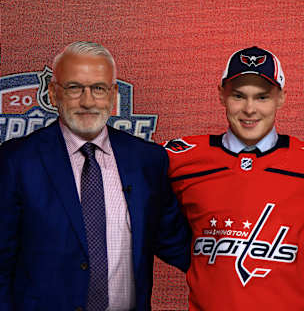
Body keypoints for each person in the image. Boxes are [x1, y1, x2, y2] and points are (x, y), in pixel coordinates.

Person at [0, 41, 190, 310]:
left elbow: (177, 244)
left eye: (98, 89)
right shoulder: (15, 161)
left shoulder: (148, 160)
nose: (87, 102)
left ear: (113, 95)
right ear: (53, 94)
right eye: (74, 88)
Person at [163, 46, 304, 310]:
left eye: (262, 97)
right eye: (238, 96)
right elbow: (152, 229)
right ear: (221, 95)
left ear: (281, 98)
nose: (249, 109)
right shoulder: (180, 159)